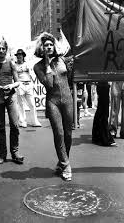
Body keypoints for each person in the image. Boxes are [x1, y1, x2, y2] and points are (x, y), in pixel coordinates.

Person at [34, 32, 73, 181]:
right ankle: (66, 164)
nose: (49, 47)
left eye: (51, 45)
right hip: (53, 102)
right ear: (41, 49)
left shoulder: (62, 60)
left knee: (68, 134)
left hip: (68, 100)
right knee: (59, 133)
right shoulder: (37, 67)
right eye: (46, 46)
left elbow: (71, 75)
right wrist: (47, 64)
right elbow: (49, 84)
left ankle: (62, 161)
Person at [0, 38, 24, 165]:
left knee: (15, 125)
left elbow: (17, 82)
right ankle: (2, 154)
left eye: (3, 48)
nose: (1, 50)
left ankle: (15, 152)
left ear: (6, 50)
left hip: (11, 96)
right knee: (0, 127)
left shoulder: (11, 63)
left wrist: (11, 86)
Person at [14, 48, 42, 128]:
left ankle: (34, 121)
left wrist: (32, 84)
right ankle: (22, 121)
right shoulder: (14, 65)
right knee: (21, 104)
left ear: (23, 56)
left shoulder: (28, 64)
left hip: (28, 84)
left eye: (21, 55)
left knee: (32, 104)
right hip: (20, 84)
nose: (19, 56)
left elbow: (32, 74)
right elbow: (14, 76)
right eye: (18, 55)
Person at [92, 82, 117, 146]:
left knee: (101, 111)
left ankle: (99, 136)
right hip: (103, 84)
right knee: (103, 111)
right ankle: (104, 137)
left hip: (102, 84)